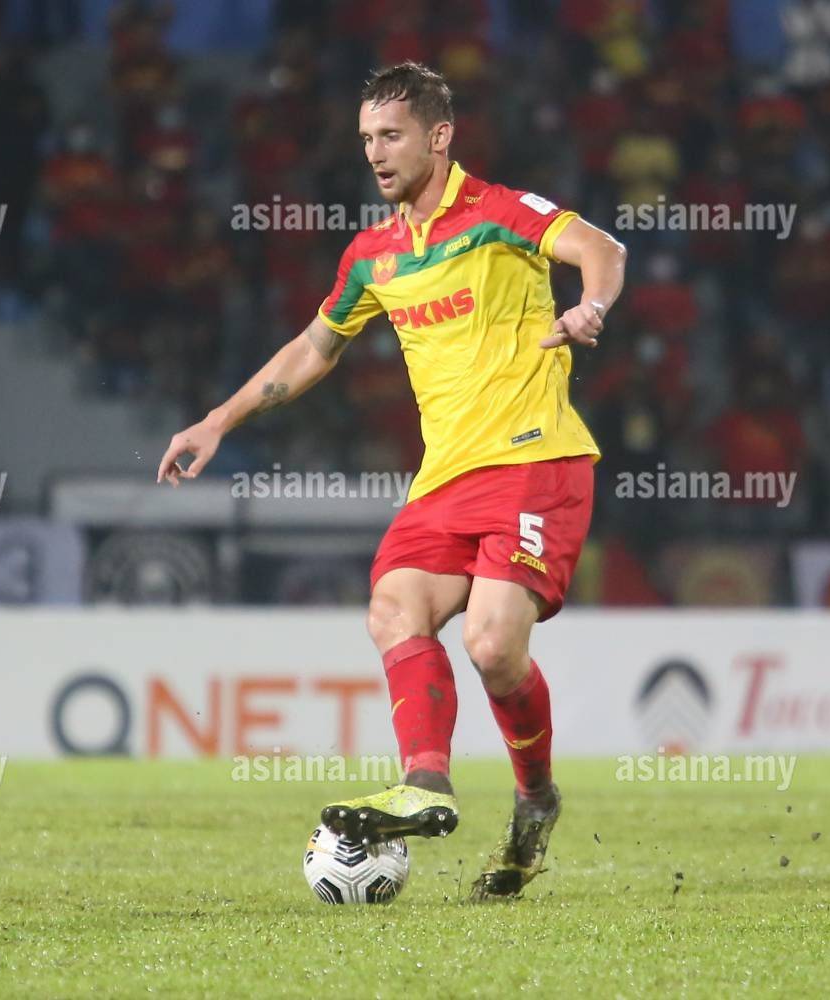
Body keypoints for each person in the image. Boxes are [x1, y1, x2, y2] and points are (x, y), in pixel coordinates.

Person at [155, 62, 626, 900]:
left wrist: (590, 305)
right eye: (367, 137)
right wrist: (218, 421)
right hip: (444, 481)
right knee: (392, 608)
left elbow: (601, 248)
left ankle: (535, 798)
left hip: (535, 461)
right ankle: (426, 784)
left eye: (391, 135)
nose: (375, 152)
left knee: (493, 647)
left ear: (439, 137)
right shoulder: (373, 255)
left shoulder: (499, 214)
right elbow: (314, 348)